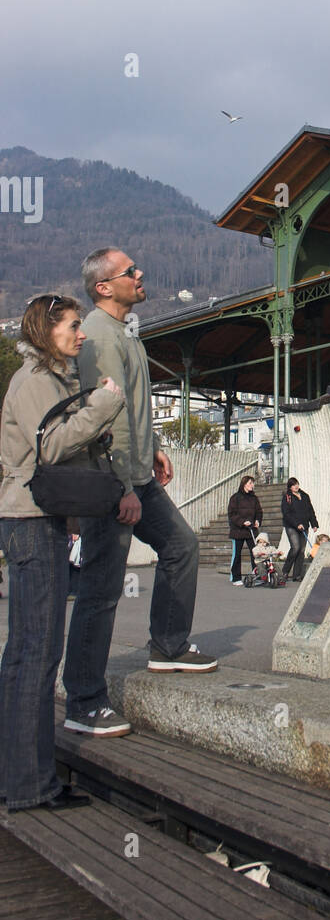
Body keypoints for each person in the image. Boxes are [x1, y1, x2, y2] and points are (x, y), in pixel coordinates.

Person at [63, 249, 218, 739]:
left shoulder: (123, 331)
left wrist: (153, 449)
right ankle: (84, 700)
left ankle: (168, 646)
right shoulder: (99, 338)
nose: (141, 274)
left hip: (136, 473)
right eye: (130, 271)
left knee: (181, 546)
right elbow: (103, 418)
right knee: (102, 587)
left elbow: (131, 408)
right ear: (104, 287)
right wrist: (123, 487)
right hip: (114, 481)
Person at [0, 295, 125, 809]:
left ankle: (19, 776)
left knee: (25, 653)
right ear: (46, 328)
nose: (81, 335)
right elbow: (48, 447)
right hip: (30, 523)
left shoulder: (48, 378)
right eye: (73, 326)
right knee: (37, 652)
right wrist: (104, 404)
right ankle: (31, 785)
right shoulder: (34, 380)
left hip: (33, 520)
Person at [280, 477, 318, 582]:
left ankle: (297, 575)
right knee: (295, 547)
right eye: (293, 485)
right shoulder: (287, 497)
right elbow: (286, 513)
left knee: (301, 550)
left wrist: (314, 524)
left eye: (296, 484)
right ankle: (285, 572)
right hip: (292, 526)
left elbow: (310, 511)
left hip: (304, 526)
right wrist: (297, 524)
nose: (296, 486)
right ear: (290, 487)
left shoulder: (305, 496)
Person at [227, 475, 262, 584]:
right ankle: (236, 578)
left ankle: (256, 575)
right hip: (238, 530)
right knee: (237, 554)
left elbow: (259, 511)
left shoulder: (254, 498)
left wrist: (257, 521)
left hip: (251, 530)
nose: (252, 485)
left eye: (253, 483)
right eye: (250, 483)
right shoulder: (235, 498)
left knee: (255, 553)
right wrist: (242, 522)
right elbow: (232, 514)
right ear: (244, 484)